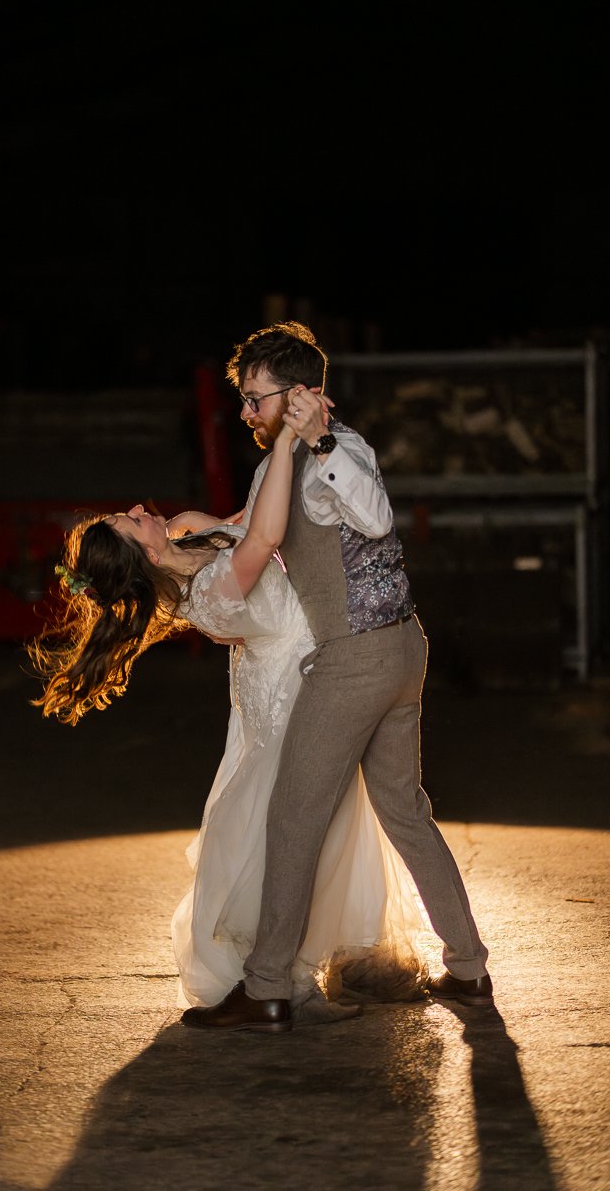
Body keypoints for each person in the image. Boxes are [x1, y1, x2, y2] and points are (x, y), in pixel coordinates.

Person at [28, 405, 428, 1032]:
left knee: (313, 832)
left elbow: (257, 527)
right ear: (144, 555)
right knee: (284, 834)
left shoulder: (195, 554)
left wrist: (212, 522)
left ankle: (281, 971)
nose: (140, 509)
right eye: (132, 522)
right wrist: (290, 436)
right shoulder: (208, 591)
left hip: (299, 683)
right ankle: (274, 979)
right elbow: (267, 537)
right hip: (295, 697)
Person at [179, 320, 493, 1034]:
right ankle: (470, 969)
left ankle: (264, 989)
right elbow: (262, 527)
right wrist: (206, 528)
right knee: (405, 811)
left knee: (293, 817)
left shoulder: (338, 448)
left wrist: (317, 440)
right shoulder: (279, 463)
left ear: (301, 396)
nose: (247, 413)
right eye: (246, 400)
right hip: (398, 651)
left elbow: (376, 519)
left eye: (257, 399)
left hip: (357, 660)